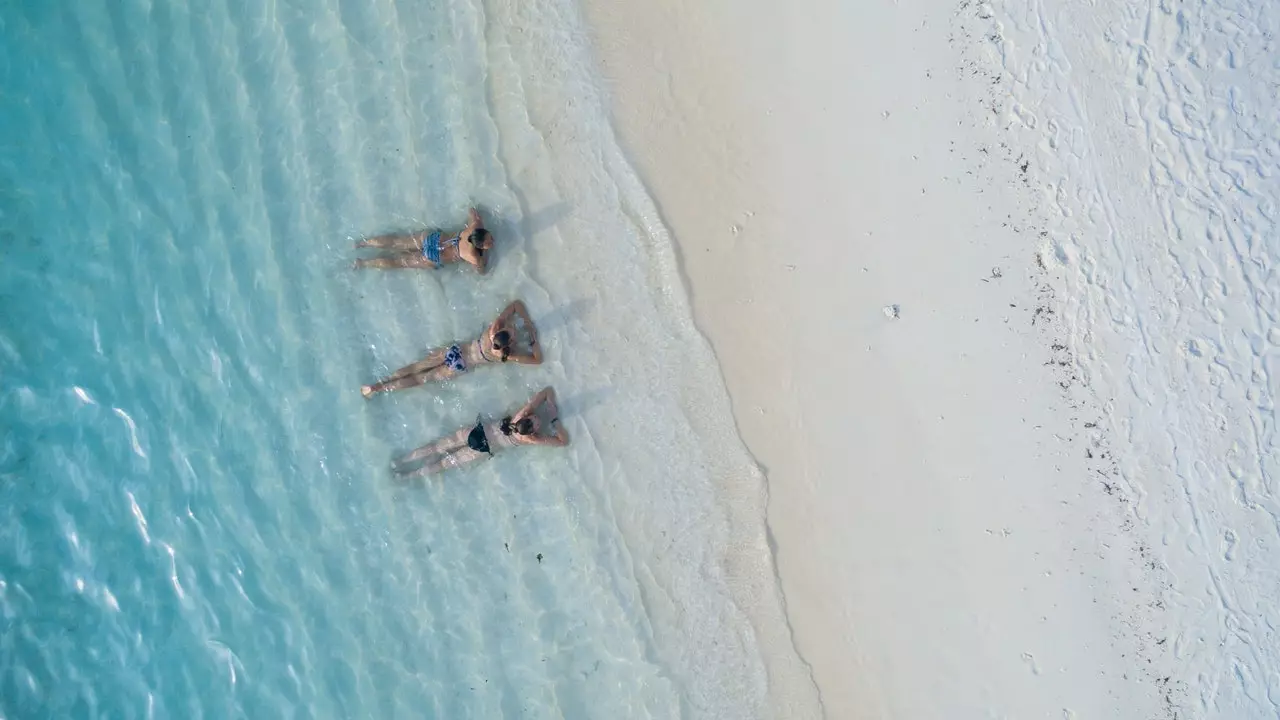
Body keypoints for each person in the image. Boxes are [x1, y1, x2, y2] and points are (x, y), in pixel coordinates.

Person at [361, 300, 541, 397]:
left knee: (417, 367)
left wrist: (520, 320)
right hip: (461, 364)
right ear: (509, 344)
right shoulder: (504, 355)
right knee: (422, 379)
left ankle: (378, 384)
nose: (511, 330)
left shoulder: (493, 329)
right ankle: (381, 390)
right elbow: (536, 360)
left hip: (456, 350)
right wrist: (531, 336)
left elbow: (515, 305)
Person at [392, 387, 569, 477]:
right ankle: (409, 476)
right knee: (444, 465)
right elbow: (562, 441)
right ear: (534, 431)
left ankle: (402, 460)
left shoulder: (519, 416)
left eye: (535, 420)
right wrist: (554, 418)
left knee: (437, 447)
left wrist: (546, 402)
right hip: (482, 448)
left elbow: (546, 391)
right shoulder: (531, 439)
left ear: (526, 417)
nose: (536, 419)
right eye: (537, 422)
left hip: (475, 432)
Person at [353, 208, 492, 273]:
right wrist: (483, 256)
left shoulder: (475, 225)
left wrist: (476, 218)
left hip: (433, 239)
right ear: (479, 246)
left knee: (397, 241)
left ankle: (362, 243)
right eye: (489, 242)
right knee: (398, 262)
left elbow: (472, 211)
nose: (493, 241)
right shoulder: (473, 256)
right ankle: (363, 263)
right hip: (434, 257)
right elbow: (482, 270)